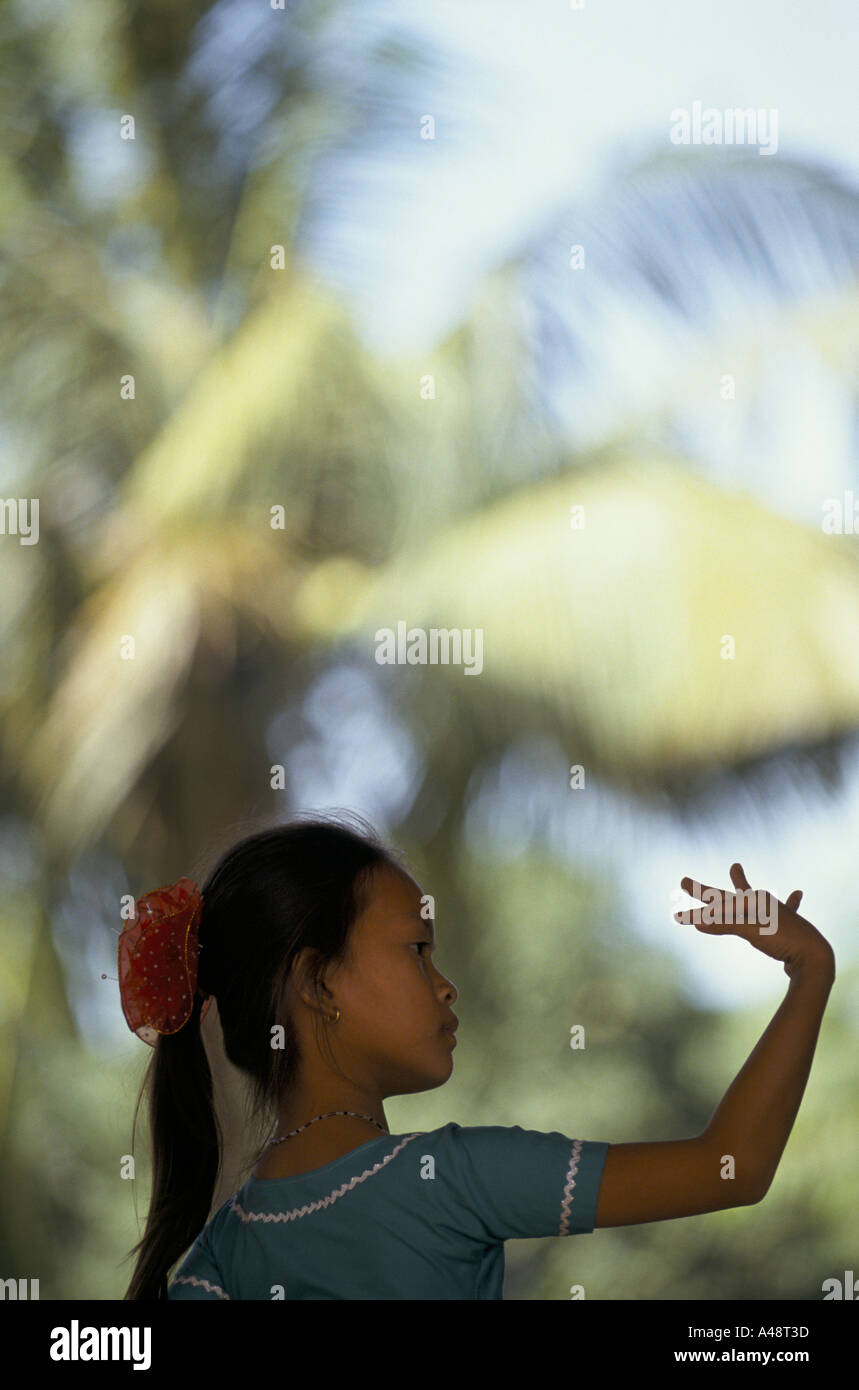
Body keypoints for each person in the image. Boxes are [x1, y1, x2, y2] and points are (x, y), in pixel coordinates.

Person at [119, 810, 836, 1300]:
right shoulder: (455, 1179)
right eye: (417, 949)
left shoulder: (213, 1263)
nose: (445, 984)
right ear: (318, 982)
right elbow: (731, 1167)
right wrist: (808, 971)